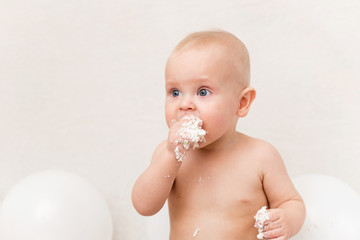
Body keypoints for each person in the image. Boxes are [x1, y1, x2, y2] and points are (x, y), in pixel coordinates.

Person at [132, 30, 305, 239]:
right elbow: (144, 206)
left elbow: (291, 202)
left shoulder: (261, 156)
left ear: (242, 103)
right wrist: (170, 155)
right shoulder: (168, 154)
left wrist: (286, 219)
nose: (184, 104)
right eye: (175, 92)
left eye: (203, 92)